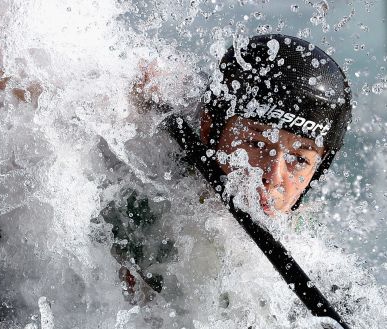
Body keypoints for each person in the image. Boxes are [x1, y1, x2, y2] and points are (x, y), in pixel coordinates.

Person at [111, 33, 352, 295]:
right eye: (257, 144)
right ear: (208, 129)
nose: (272, 175)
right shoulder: (144, 191)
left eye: (299, 159)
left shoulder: (318, 264)